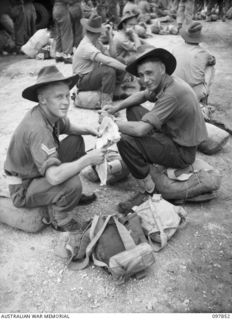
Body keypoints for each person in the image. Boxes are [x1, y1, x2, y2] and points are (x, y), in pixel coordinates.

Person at [102, 44, 207, 214]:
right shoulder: (167, 82)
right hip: (171, 135)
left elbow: (141, 130)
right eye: (142, 75)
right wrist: (115, 108)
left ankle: (148, 191)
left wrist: (111, 124)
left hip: (182, 152)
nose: (145, 79)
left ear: (162, 69)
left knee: (124, 139)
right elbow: (142, 95)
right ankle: (146, 156)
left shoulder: (172, 93)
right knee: (133, 109)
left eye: (149, 73)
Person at [4, 65, 106, 232]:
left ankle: (62, 196)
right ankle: (60, 219)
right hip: (23, 186)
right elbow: (53, 177)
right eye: (59, 97)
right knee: (71, 183)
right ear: (43, 99)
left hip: (35, 172)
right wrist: (88, 159)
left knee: (75, 141)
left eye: (67, 95)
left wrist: (90, 130)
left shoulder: (49, 113)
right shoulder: (38, 129)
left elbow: (70, 128)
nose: (66, 102)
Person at [72, 13, 127, 107]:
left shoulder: (96, 42)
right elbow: (108, 61)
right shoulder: (86, 46)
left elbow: (112, 56)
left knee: (119, 60)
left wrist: (110, 36)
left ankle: (116, 91)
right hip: (82, 80)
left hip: (91, 75)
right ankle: (106, 104)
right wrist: (128, 69)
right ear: (98, 32)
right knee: (108, 70)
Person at [172, 22, 216, 103]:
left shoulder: (175, 49)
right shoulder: (203, 53)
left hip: (175, 89)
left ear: (185, 37)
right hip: (193, 93)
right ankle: (204, 101)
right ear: (199, 39)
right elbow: (213, 61)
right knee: (210, 67)